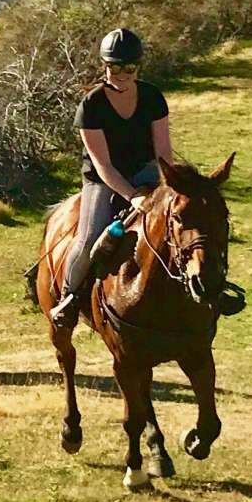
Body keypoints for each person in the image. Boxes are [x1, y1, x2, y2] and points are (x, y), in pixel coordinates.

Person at [50, 28, 172, 327]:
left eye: (128, 67)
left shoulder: (153, 98)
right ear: (105, 66)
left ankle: (207, 291)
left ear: (137, 67)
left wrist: (172, 188)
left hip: (146, 170)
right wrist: (134, 196)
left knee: (186, 222)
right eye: (114, 67)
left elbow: (164, 154)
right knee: (90, 236)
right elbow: (103, 164)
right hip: (102, 178)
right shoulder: (91, 106)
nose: (121, 74)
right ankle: (69, 297)